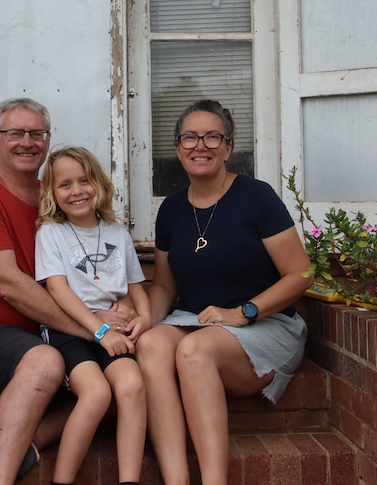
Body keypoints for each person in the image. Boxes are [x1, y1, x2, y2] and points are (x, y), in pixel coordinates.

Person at [0, 98, 133, 485]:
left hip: (50, 331)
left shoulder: (60, 199)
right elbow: (5, 283)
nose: (27, 142)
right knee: (45, 361)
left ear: (47, 141)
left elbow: (99, 263)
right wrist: (96, 328)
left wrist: (123, 310)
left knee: (127, 377)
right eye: (15, 133)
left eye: (37, 133)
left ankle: (33, 440)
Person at [136, 100, 313, 485]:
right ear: (178, 148)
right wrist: (143, 324)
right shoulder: (170, 209)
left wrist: (244, 312)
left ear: (228, 147)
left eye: (212, 136)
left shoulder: (257, 197)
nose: (201, 146)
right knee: (150, 345)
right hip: (197, 319)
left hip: (264, 324)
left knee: (193, 351)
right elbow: (165, 284)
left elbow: (301, 273)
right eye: (190, 137)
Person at [34, 146, 148, 485]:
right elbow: (58, 290)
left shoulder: (117, 233)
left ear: (98, 183)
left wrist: (144, 318)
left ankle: (130, 480)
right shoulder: (51, 234)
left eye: (84, 181)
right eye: (65, 184)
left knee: (131, 384)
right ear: (52, 193)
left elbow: (134, 287)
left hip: (113, 331)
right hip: (69, 333)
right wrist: (100, 330)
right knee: (97, 393)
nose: (77, 191)